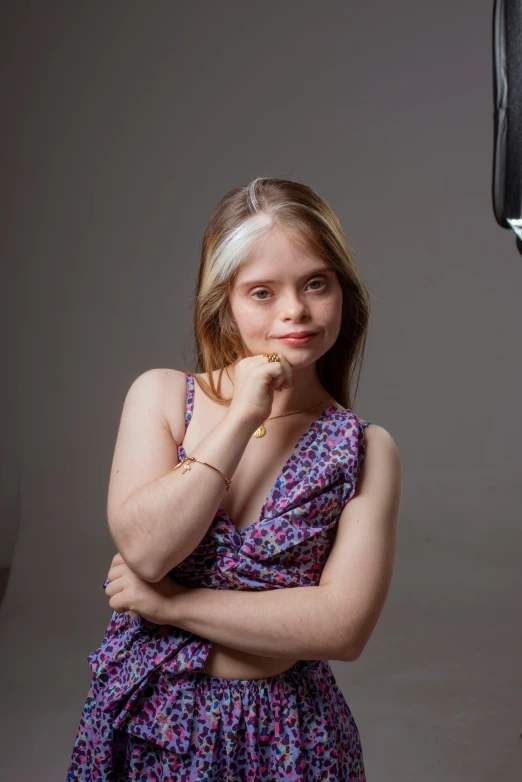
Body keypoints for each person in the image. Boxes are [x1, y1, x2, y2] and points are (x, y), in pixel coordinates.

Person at [66, 176, 401, 780]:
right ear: (223, 302)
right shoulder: (163, 397)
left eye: (315, 284)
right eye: (262, 292)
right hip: (150, 720)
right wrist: (245, 412)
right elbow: (146, 549)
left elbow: (341, 626)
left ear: (343, 294)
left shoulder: (366, 449)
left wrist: (168, 605)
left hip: (288, 736)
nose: (294, 310)